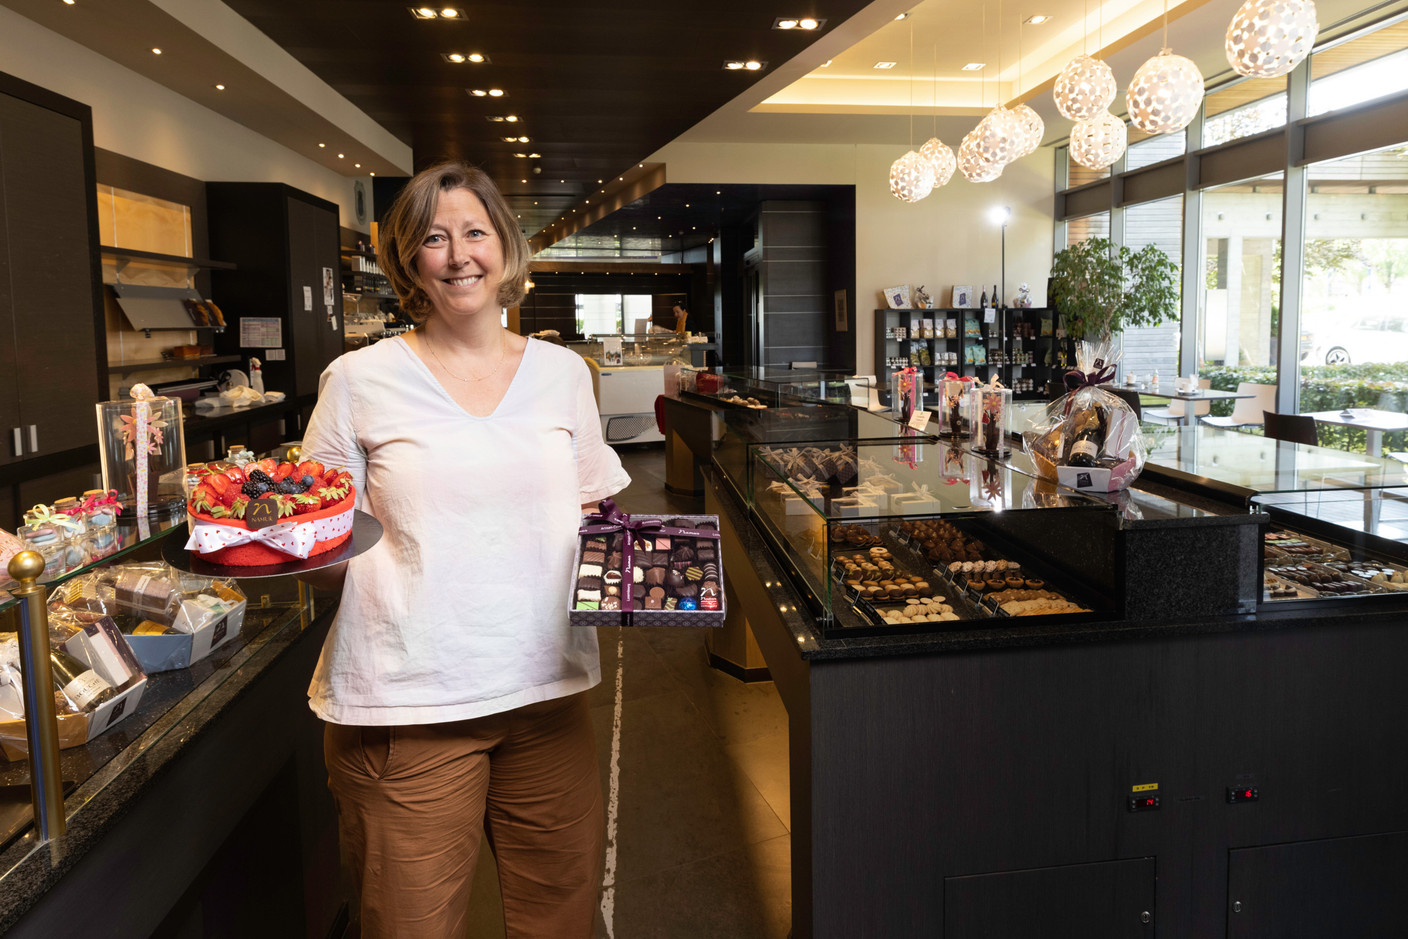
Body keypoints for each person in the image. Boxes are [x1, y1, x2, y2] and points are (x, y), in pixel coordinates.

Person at [297, 161, 629, 937]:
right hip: (409, 702)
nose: (458, 255)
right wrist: (278, 545)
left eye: (475, 232)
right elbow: (318, 532)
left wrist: (633, 573)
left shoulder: (561, 375)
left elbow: (594, 507)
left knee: (562, 919)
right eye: (435, 238)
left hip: (548, 693)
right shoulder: (357, 380)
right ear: (411, 260)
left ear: (505, 248)